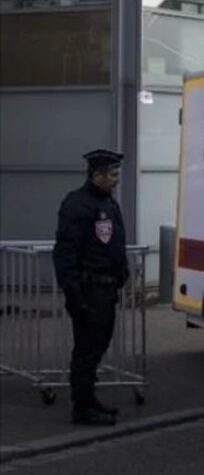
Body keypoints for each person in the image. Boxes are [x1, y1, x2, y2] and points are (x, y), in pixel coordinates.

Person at [52, 149, 129, 426]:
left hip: (106, 289)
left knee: (97, 347)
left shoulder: (108, 203)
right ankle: (82, 408)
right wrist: (73, 293)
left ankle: (89, 398)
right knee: (86, 350)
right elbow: (65, 252)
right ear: (97, 175)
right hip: (88, 289)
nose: (117, 179)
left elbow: (114, 244)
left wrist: (121, 273)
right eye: (113, 174)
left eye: (117, 173)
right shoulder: (77, 204)